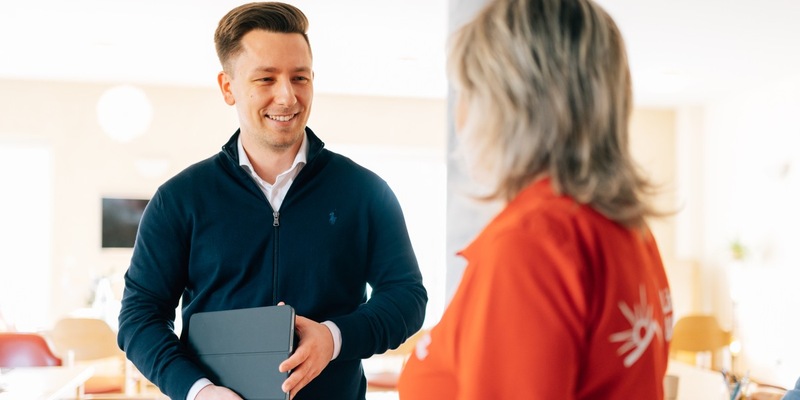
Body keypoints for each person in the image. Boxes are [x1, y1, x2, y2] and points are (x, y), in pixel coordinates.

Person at [116, 3, 427, 400]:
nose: (287, 96)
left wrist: (334, 338)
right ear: (228, 87)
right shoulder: (178, 199)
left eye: (300, 78)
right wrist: (198, 391)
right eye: (266, 79)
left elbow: (407, 297)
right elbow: (139, 318)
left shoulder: (365, 192)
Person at [397, 0, 672, 398]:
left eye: (470, 93)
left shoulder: (531, 243)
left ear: (511, 105)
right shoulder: (628, 229)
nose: (460, 118)